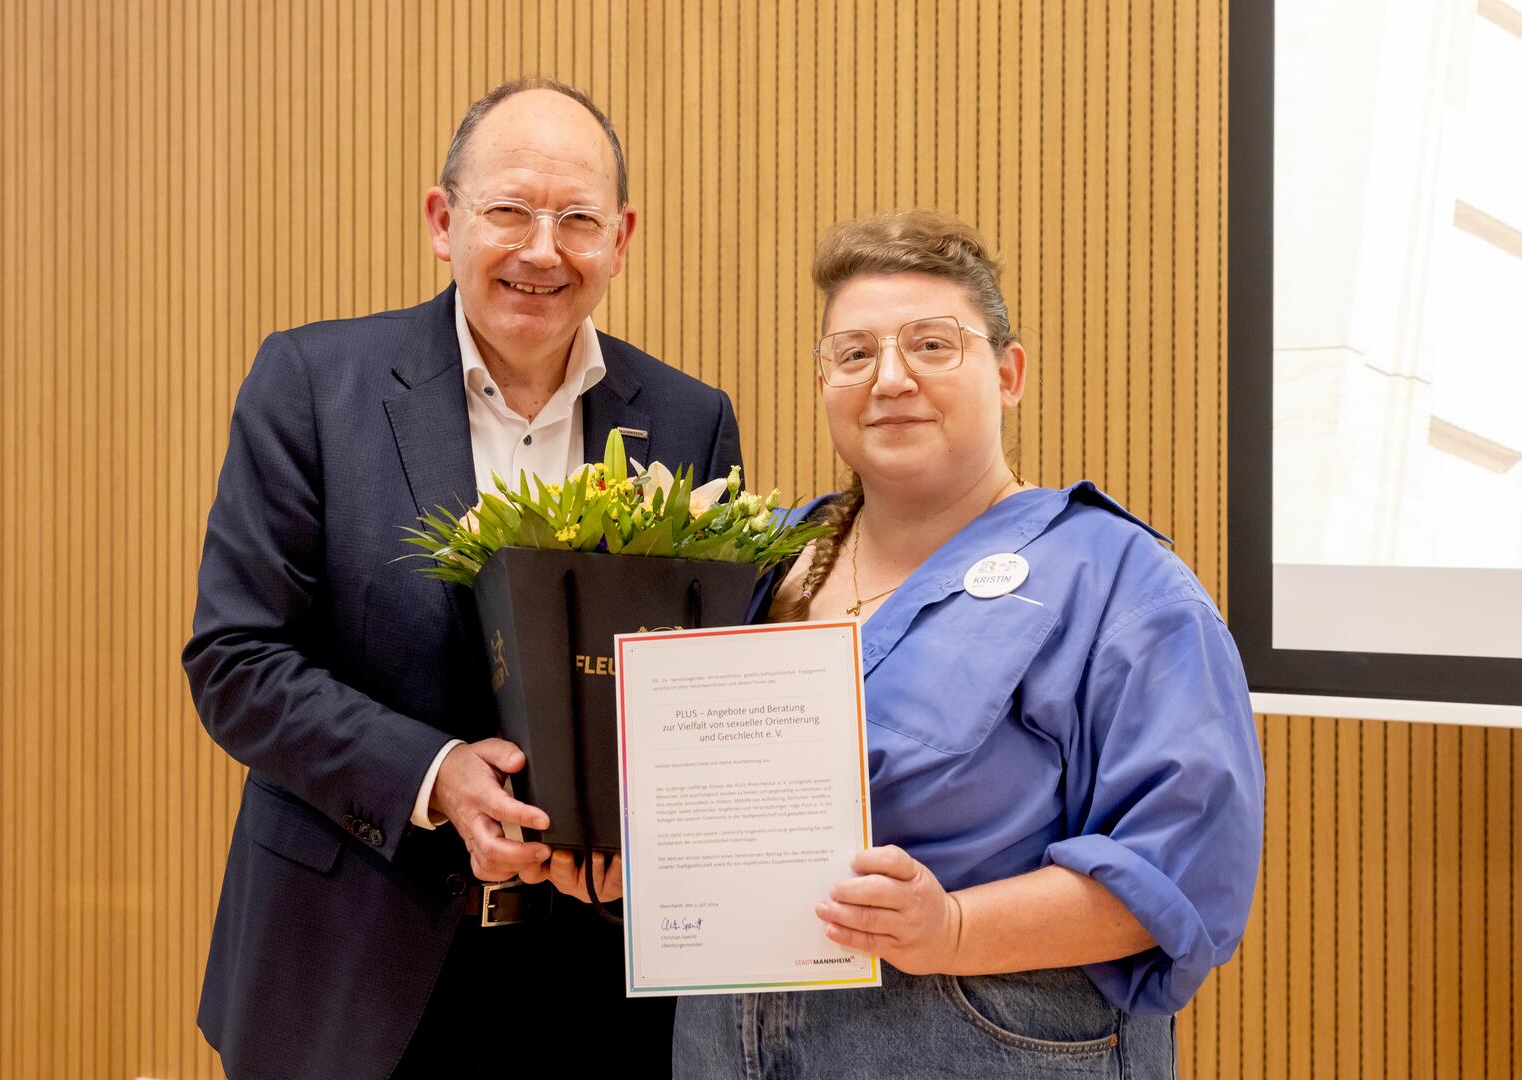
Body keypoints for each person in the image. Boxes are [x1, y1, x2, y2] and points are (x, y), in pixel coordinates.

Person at [184, 77, 742, 1080]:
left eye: (577, 220)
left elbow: (703, 685)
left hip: (595, 977)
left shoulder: (688, 418)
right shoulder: (313, 384)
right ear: (444, 222)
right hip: (351, 961)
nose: (542, 251)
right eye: (509, 211)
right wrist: (434, 773)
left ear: (620, 238)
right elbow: (237, 661)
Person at [673, 210, 1263, 1079]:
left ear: (1008, 373)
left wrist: (949, 929)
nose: (890, 379)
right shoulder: (759, 558)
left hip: (974, 1041)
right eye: (854, 353)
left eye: (931, 345)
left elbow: (1181, 868)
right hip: (727, 1042)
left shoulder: (1117, 580)